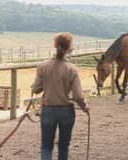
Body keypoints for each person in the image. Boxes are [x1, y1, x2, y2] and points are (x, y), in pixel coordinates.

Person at [31, 32, 90, 160]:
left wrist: (46, 84)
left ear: (55, 45)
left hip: (48, 110)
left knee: (46, 146)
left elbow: (35, 89)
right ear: (69, 48)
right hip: (66, 112)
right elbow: (78, 96)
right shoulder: (72, 69)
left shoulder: (43, 66)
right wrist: (85, 107)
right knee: (64, 145)